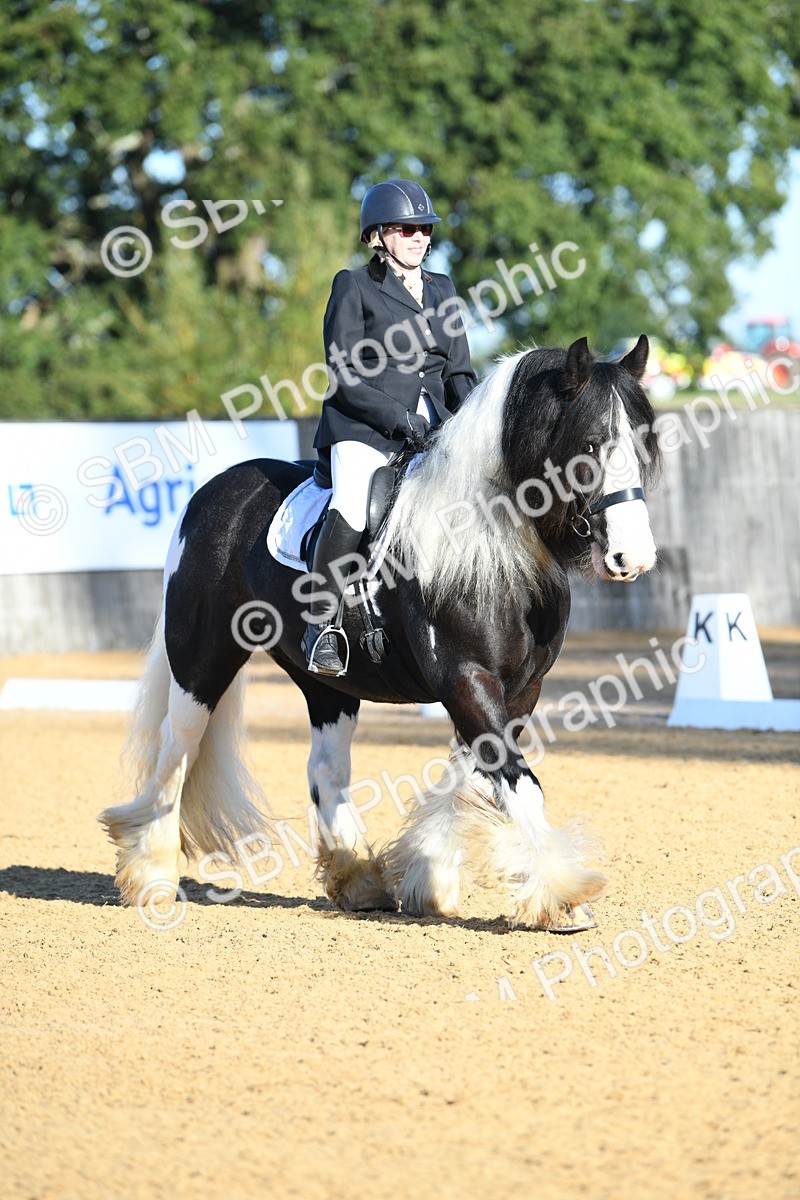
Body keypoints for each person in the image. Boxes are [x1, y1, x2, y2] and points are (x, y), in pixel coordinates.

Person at [303, 177, 477, 675]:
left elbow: (459, 374)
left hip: (436, 426)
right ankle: (321, 624)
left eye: (425, 229)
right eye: (408, 229)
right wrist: (400, 419)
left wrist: (476, 425)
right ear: (379, 234)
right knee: (354, 503)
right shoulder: (354, 286)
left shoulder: (442, 288)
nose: (420, 237)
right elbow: (343, 378)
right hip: (365, 427)